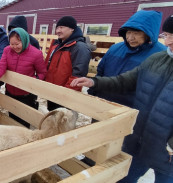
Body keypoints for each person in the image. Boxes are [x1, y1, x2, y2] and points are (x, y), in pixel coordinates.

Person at [70, 15, 173, 183]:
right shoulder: (157, 60)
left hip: (168, 152)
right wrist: (94, 81)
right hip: (139, 139)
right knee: (122, 177)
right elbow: (124, 81)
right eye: (167, 35)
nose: (168, 42)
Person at [89, 10, 166, 107]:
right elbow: (101, 71)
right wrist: (93, 91)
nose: (130, 38)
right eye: (128, 32)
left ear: (148, 34)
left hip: (131, 109)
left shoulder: (161, 55)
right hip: (103, 102)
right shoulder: (115, 48)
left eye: (136, 33)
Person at [0, 28, 47, 128]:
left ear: (24, 40)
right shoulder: (7, 50)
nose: (14, 47)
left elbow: (42, 72)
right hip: (10, 92)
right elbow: (0, 68)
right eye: (12, 44)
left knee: (23, 122)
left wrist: (35, 81)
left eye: (17, 44)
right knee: (12, 119)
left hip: (26, 95)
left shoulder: (36, 54)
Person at [44, 16, 91, 111]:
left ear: (72, 29)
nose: (58, 31)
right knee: (52, 116)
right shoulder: (56, 45)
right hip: (52, 91)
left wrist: (66, 94)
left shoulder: (79, 48)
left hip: (65, 95)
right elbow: (47, 66)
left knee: (63, 119)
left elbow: (78, 75)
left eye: (61, 27)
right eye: (57, 28)